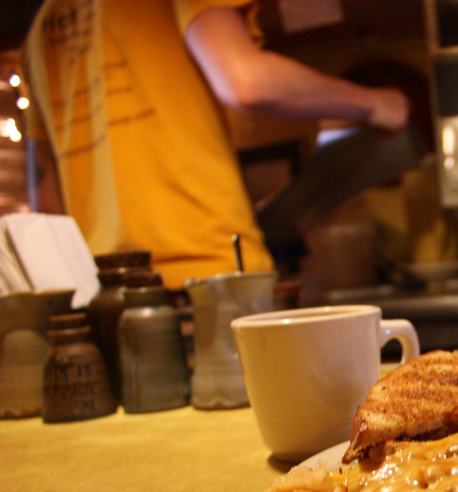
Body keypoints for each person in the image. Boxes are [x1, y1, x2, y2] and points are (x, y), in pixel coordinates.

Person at [20, 0, 410, 289]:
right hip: (212, 277)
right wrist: (377, 103)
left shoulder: (38, 29)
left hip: (110, 294)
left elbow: (47, 207)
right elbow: (246, 80)